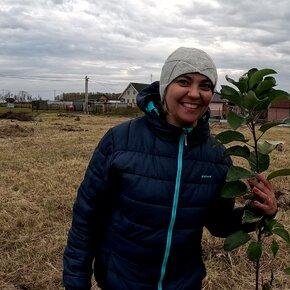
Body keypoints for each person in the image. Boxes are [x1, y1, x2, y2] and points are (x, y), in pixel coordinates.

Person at [63, 47, 277, 290]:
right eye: (184, 81)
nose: (194, 93)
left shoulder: (216, 155)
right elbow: (87, 219)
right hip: (121, 281)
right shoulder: (120, 141)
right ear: (165, 86)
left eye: (205, 86)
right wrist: (76, 283)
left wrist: (258, 211)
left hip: (184, 283)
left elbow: (219, 223)